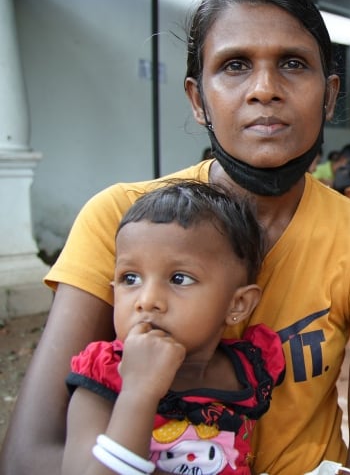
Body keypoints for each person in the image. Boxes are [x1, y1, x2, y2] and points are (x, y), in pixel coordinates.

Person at [0, 0, 350, 475]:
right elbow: (29, 456)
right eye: (235, 65)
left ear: (329, 97)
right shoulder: (118, 219)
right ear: (198, 100)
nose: (265, 89)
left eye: (293, 64)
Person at [63, 181, 285, 475]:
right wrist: (138, 392)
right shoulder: (106, 377)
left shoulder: (246, 370)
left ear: (238, 305)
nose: (147, 300)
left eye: (179, 279)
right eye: (131, 278)